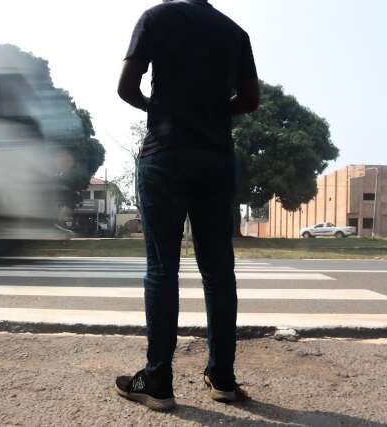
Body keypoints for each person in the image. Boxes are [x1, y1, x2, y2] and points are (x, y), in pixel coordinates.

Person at [114, 0, 260, 411]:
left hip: (165, 155)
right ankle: (223, 378)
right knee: (218, 272)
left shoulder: (155, 18)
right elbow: (250, 99)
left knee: (162, 269)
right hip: (215, 159)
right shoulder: (235, 32)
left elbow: (126, 88)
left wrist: (158, 110)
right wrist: (213, 113)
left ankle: (158, 379)